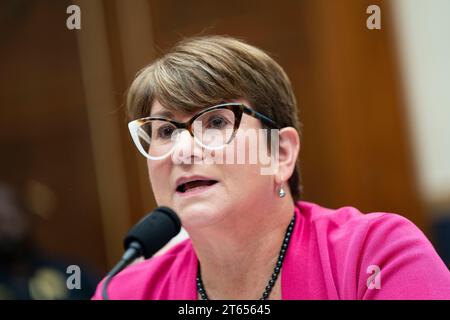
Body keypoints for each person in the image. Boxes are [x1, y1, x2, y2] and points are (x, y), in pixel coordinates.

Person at [93, 35, 450, 300]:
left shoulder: (373, 255)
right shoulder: (125, 292)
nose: (183, 150)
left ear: (280, 153)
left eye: (216, 122)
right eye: (166, 131)